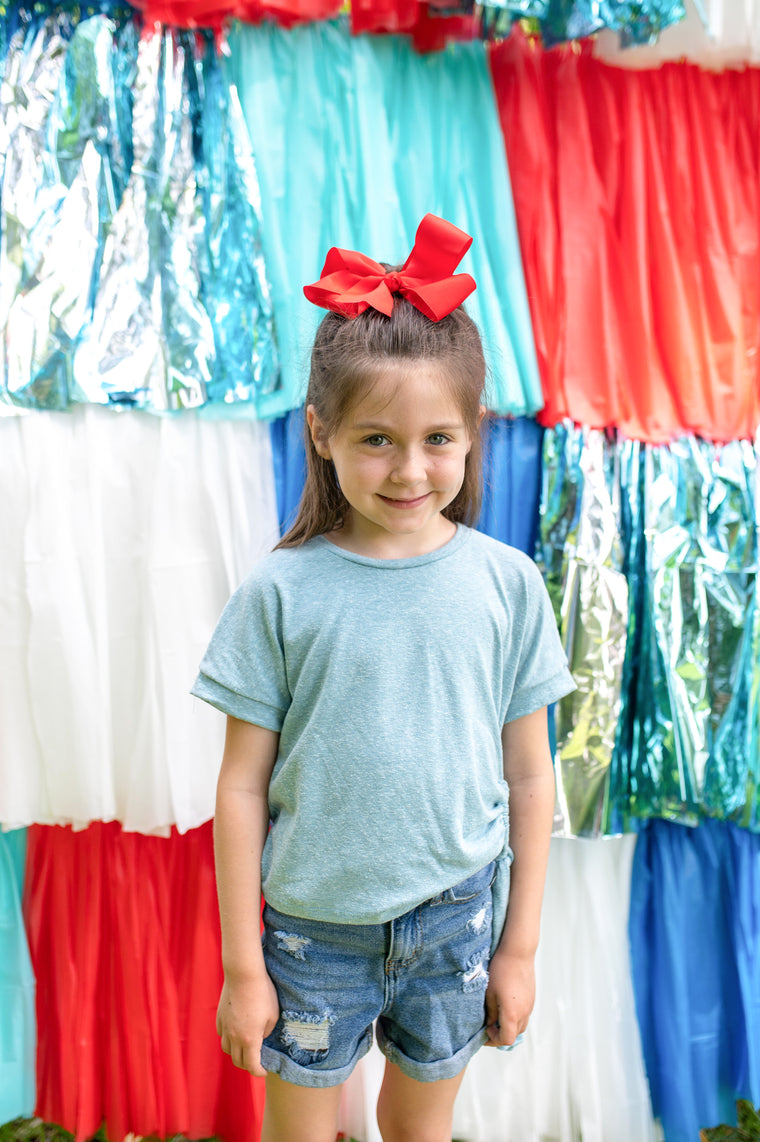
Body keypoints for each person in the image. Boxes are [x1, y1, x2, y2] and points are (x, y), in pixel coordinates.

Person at [192, 214, 575, 1142]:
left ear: (473, 431)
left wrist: (517, 948)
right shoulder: (282, 592)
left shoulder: (506, 583)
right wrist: (247, 968)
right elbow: (241, 786)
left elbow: (530, 776)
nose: (409, 471)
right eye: (375, 440)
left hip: (455, 920)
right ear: (321, 432)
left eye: (438, 438)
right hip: (312, 931)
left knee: (419, 1128)